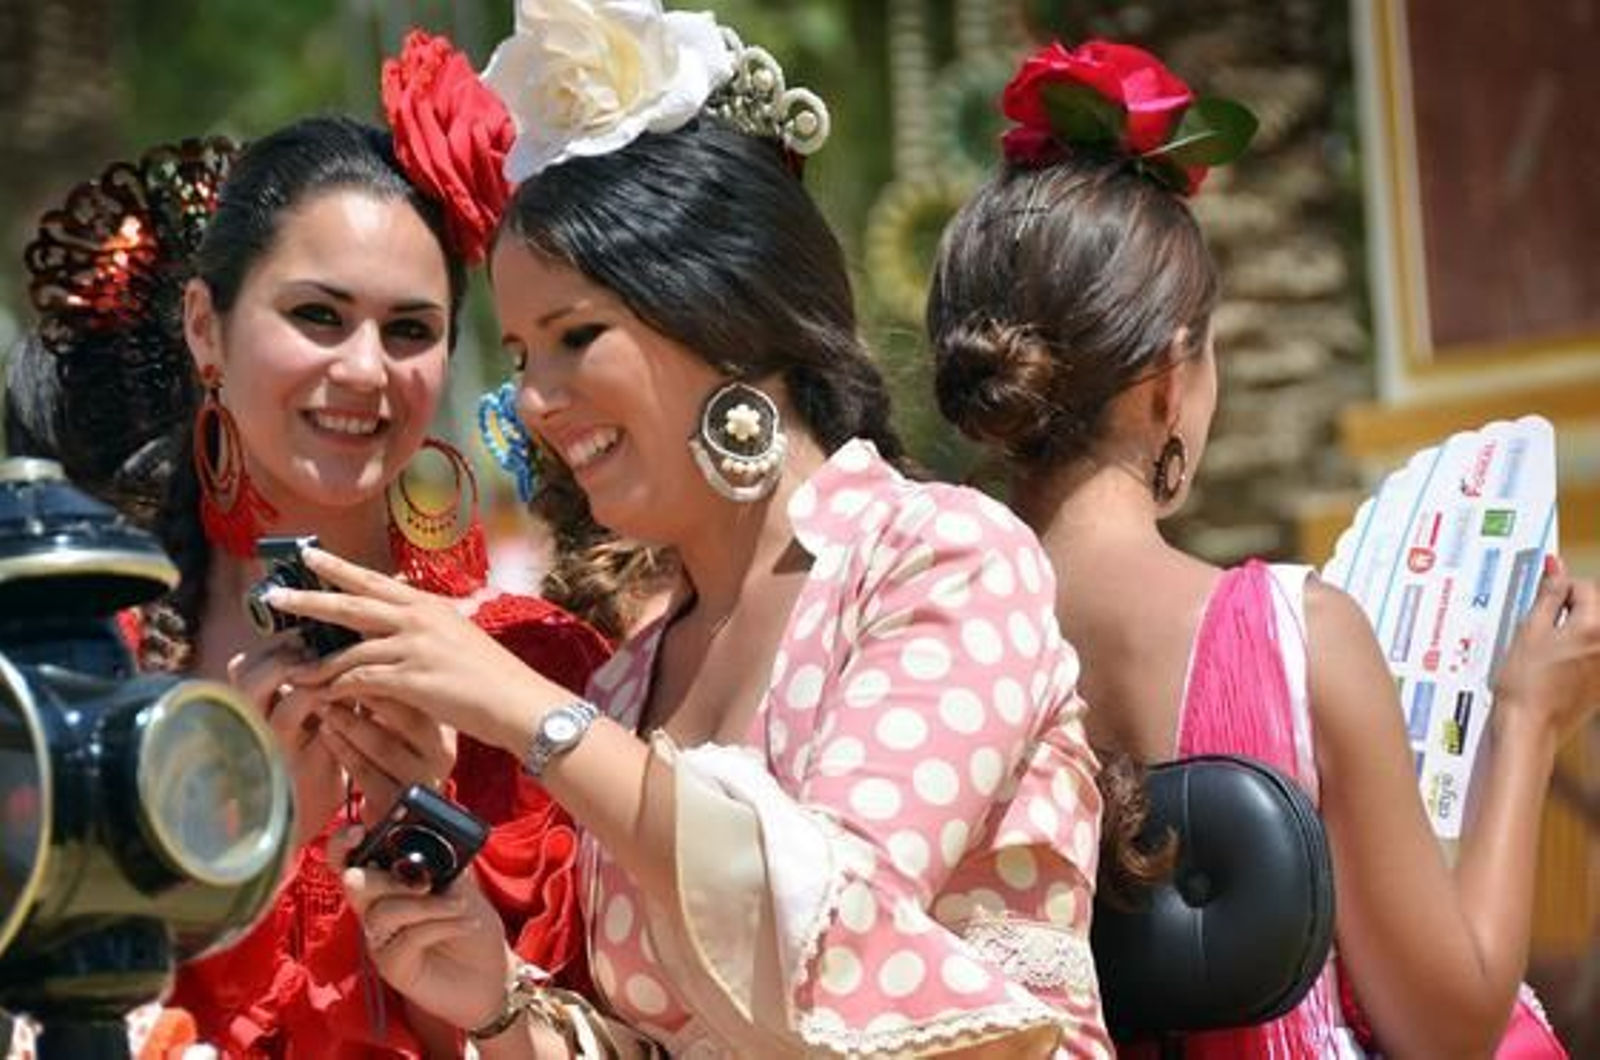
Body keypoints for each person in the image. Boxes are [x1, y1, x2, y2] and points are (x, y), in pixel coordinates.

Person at [255, 3, 1129, 1056]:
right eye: (522, 355)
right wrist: (494, 1000)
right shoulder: (630, 677)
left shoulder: (938, 557)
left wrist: (528, 712)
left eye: (578, 335)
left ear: (728, 318)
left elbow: (836, 932)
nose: (535, 398)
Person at [925, 38, 1600, 1060]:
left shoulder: (928, 630)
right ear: (1168, 378)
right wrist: (1527, 719)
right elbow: (1451, 1024)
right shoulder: (1296, 635)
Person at [6, 30, 613, 1058]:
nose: (366, 371)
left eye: (410, 330)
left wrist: (430, 877)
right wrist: (242, 840)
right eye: (318, 315)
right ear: (205, 328)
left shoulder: (536, 671)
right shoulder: (81, 665)